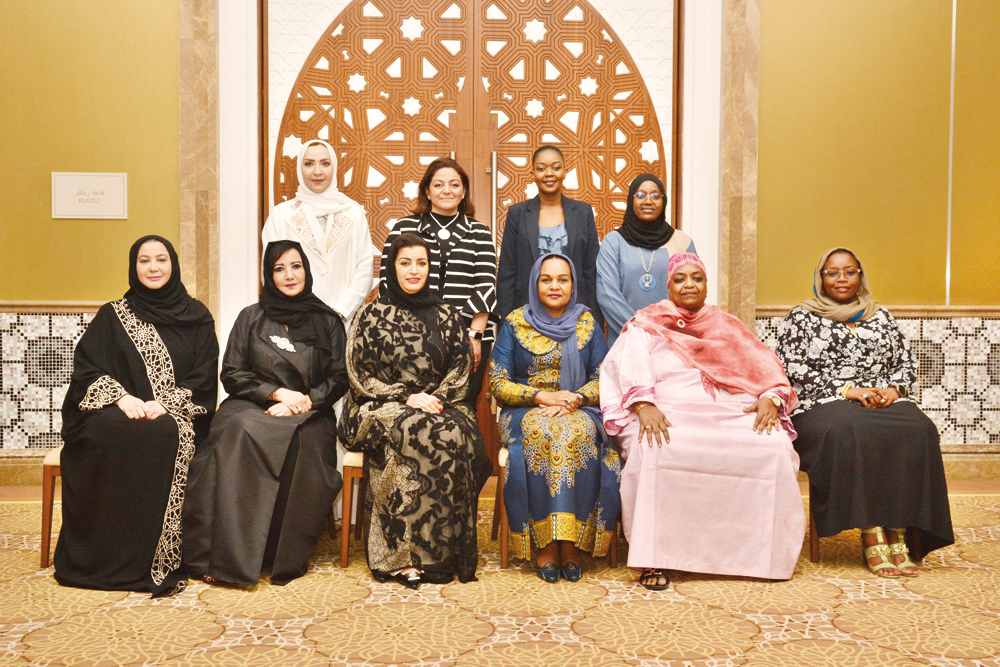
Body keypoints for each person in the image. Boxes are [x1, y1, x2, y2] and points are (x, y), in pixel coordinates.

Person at [600, 253, 804, 590]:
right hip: (669, 409)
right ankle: (653, 558)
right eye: (680, 279)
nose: (689, 284)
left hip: (730, 410)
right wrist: (643, 403)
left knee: (773, 447)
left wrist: (771, 396)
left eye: (697, 277)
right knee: (654, 448)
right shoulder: (647, 323)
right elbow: (626, 367)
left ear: (707, 285)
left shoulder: (727, 325)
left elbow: (765, 366)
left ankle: (763, 557)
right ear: (668, 286)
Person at [55, 236, 218, 597]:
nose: (154, 267)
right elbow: (86, 371)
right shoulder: (113, 315)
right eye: (145, 261)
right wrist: (120, 396)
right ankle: (100, 557)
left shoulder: (197, 315)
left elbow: (205, 376)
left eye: (161, 259)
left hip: (175, 414)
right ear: (134, 266)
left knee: (161, 434)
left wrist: (167, 402)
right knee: (103, 436)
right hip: (117, 412)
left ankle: (155, 559)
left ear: (173, 264)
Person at [776, 247, 954, 577]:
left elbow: (905, 362)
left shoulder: (880, 315)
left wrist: (893, 390)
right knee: (850, 428)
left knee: (919, 429)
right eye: (832, 272)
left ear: (861, 276)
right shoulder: (801, 316)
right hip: (824, 404)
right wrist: (847, 391)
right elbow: (790, 367)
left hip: (881, 401)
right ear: (820, 278)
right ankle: (871, 531)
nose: (841, 278)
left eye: (849, 272)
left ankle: (899, 535)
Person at [183, 241, 347, 586]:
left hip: (310, 411)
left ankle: (276, 555)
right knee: (238, 432)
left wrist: (302, 400)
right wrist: (275, 393)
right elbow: (232, 374)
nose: (289, 275)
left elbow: (338, 378)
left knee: (300, 445)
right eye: (279, 268)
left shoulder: (329, 320)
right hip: (252, 404)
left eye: (296, 266)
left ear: (307, 269)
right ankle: (225, 557)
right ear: (268, 275)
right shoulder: (251, 317)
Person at [342, 233, 492, 588]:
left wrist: (433, 398)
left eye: (421, 263)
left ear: (431, 267)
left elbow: (459, 370)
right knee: (410, 428)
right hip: (377, 405)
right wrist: (406, 396)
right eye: (405, 262)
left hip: (440, 403)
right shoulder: (370, 314)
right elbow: (358, 374)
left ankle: (442, 556)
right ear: (391, 267)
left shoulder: (446, 314)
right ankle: (402, 556)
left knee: (455, 434)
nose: (414, 270)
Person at [490, 253, 618, 583]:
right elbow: (498, 381)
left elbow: (603, 376)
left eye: (563, 279)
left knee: (572, 433)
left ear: (573, 284)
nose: (555, 286)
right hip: (524, 411)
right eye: (546, 279)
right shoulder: (515, 323)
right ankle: (545, 543)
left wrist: (576, 398)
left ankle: (570, 543)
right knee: (544, 431)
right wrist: (539, 396)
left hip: (578, 408)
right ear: (535, 283)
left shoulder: (587, 322)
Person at [379, 157, 497, 408]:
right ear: (427, 191)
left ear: (464, 191)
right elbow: (387, 283)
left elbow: (486, 285)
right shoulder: (404, 227)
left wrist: (474, 335)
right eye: (438, 184)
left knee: (461, 408)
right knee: (415, 406)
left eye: (454, 185)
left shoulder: (479, 231)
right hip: (411, 336)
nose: (447, 190)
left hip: (466, 335)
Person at [262, 139, 374, 320]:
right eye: (308, 164)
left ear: (334, 167)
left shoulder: (353, 213)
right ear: (300, 168)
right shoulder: (281, 215)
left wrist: (340, 312)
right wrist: (296, 314)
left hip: (343, 320)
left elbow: (365, 268)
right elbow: (270, 271)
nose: (317, 171)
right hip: (295, 321)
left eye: (325, 163)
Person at [496, 145, 603, 328]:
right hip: (526, 313)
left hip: (576, 313)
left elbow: (591, 271)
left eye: (556, 167)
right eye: (541, 168)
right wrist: (508, 322)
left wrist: (595, 321)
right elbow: (507, 272)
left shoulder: (582, 212)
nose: (549, 173)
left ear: (564, 171)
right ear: (532, 174)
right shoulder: (517, 213)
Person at [597, 173, 697, 346]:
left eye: (655, 196)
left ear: (663, 201)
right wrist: (640, 329)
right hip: (626, 341)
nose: (648, 201)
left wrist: (667, 333)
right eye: (641, 195)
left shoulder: (682, 241)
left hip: (671, 342)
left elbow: (693, 293)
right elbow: (607, 295)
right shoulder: (613, 242)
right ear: (630, 200)